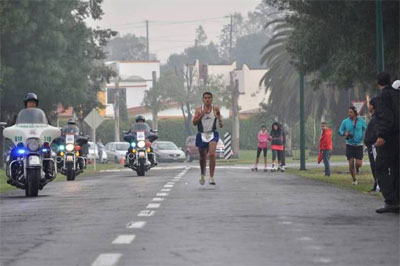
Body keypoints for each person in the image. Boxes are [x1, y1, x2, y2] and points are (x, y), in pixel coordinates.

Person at [374, 72, 399, 214]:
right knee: (396, 168)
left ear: (378, 82)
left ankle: (390, 200)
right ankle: (397, 199)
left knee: (381, 167)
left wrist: (382, 135)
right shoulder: (397, 95)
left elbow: (386, 117)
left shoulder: (382, 97)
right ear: (390, 81)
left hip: (389, 137)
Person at [193, 92, 223, 185]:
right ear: (203, 99)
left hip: (212, 134)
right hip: (202, 134)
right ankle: (202, 175)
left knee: (212, 154)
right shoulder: (199, 109)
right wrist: (201, 115)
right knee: (203, 157)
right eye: (205, 98)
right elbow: (194, 122)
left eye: (209, 98)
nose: (207, 99)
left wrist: (220, 122)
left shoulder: (215, 108)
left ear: (212, 99)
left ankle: (211, 177)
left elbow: (219, 116)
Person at [338, 106, 367, 185]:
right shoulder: (345, 121)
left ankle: (357, 167)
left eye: (351, 112)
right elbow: (340, 131)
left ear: (355, 113)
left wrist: (366, 137)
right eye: (348, 112)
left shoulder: (361, 121)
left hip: (359, 145)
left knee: (358, 164)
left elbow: (367, 129)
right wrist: (344, 133)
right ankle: (354, 179)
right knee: (351, 163)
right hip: (349, 144)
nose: (349, 114)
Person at [364, 98, 379, 192]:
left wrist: (371, 140)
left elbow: (375, 132)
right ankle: (376, 184)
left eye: (369, 105)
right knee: (373, 165)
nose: (368, 107)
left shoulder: (376, 118)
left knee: (376, 165)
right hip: (370, 145)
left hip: (374, 145)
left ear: (373, 106)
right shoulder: (374, 117)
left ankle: (378, 186)